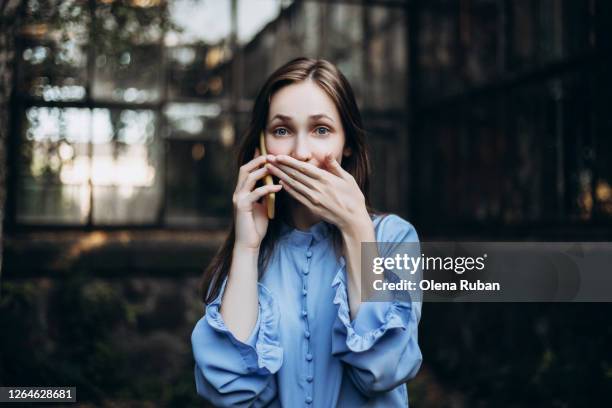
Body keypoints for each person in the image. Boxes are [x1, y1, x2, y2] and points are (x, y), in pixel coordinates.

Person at [191, 57, 422, 407]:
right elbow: (230, 392)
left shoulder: (394, 238)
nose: (300, 153)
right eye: (282, 131)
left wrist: (356, 226)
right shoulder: (249, 249)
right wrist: (246, 247)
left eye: (321, 130)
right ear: (262, 148)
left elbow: (385, 370)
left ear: (347, 144)